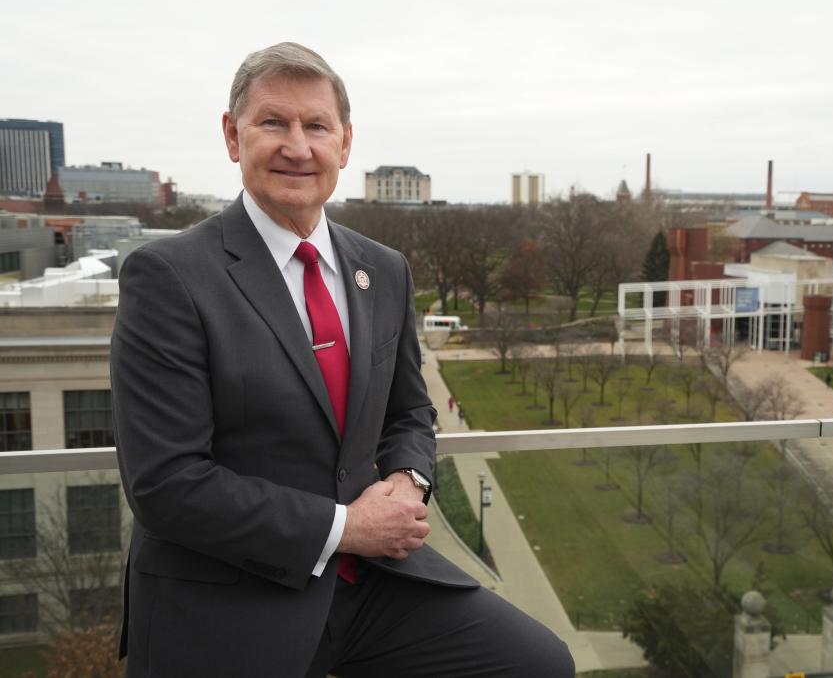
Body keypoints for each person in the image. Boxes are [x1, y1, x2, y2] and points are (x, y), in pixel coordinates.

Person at [111, 42, 573, 677]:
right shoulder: (168, 276)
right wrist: (344, 527)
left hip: (370, 583)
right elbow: (165, 484)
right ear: (231, 135)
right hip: (229, 595)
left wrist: (410, 481)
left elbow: (410, 410)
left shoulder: (382, 268)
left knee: (537, 664)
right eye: (273, 122)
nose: (297, 147)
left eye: (316, 126)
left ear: (345, 144)